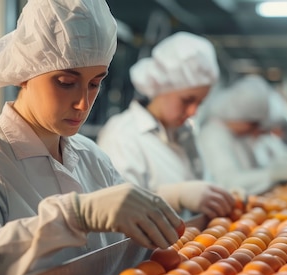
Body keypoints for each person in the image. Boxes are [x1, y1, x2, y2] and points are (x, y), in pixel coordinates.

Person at [0, 0, 184, 275]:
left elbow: (134, 250)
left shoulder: (92, 157)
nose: (83, 103)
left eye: (95, 84)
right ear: (26, 72)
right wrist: (75, 216)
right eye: (66, 82)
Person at [96, 32, 235, 219]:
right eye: (187, 100)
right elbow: (112, 208)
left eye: (200, 102)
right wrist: (174, 196)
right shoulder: (123, 134)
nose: (193, 111)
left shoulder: (184, 133)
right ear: (161, 86)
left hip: (187, 242)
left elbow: (202, 183)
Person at [197, 75, 287, 195]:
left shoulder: (240, 136)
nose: (256, 129)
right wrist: (272, 175)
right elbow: (227, 182)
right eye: (252, 124)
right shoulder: (212, 137)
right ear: (238, 116)